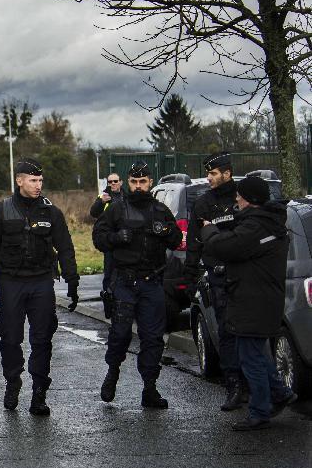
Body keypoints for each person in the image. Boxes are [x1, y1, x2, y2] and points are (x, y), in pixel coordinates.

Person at [0, 158, 79, 415]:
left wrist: (73, 282)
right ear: (19, 180)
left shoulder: (51, 212)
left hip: (41, 281)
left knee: (42, 339)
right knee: (10, 337)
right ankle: (13, 381)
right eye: (33, 180)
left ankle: (39, 393)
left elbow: (65, 248)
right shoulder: (1, 211)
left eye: (40, 180)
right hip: (12, 282)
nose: (38, 185)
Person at [201, 176, 297, 430]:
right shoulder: (268, 223)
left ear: (250, 199)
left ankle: (260, 411)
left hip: (252, 301)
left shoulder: (257, 227)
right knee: (257, 352)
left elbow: (227, 247)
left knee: (250, 358)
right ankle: (280, 393)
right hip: (260, 299)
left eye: (240, 195)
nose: (236, 198)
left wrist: (209, 230)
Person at [92, 161, 182, 409]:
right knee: (120, 334)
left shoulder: (161, 210)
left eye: (143, 182)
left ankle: (150, 388)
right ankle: (112, 372)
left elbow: (177, 241)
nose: (139, 186)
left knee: (153, 338)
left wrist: (165, 231)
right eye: (134, 182)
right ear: (128, 182)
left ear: (150, 182)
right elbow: (98, 238)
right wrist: (116, 238)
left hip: (152, 283)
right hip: (124, 281)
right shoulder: (117, 209)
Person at [185, 152, 246, 411]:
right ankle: (234, 386)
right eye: (208, 173)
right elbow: (195, 243)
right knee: (226, 330)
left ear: (227, 173)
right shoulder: (203, 203)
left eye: (213, 174)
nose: (208, 178)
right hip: (219, 276)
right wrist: (190, 275)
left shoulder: (241, 198)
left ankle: (258, 382)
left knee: (251, 329)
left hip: (245, 274)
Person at [90, 173, 124, 293]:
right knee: (109, 271)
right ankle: (108, 297)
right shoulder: (104, 196)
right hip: (109, 240)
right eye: (110, 182)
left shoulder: (127, 196)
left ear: (121, 182)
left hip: (124, 239)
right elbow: (93, 213)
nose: (113, 184)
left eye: (115, 181)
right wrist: (101, 201)